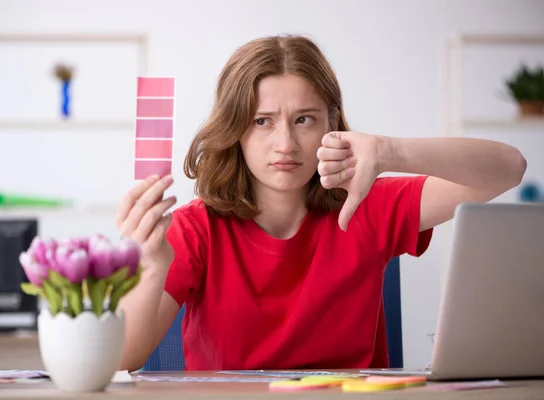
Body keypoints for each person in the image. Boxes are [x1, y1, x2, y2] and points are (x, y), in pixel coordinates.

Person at [115, 34, 527, 372]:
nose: (286, 144)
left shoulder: (367, 203)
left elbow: (509, 168)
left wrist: (388, 150)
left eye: (304, 119)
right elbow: (125, 360)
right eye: (263, 121)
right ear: (235, 130)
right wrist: (150, 263)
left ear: (332, 122)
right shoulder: (195, 228)